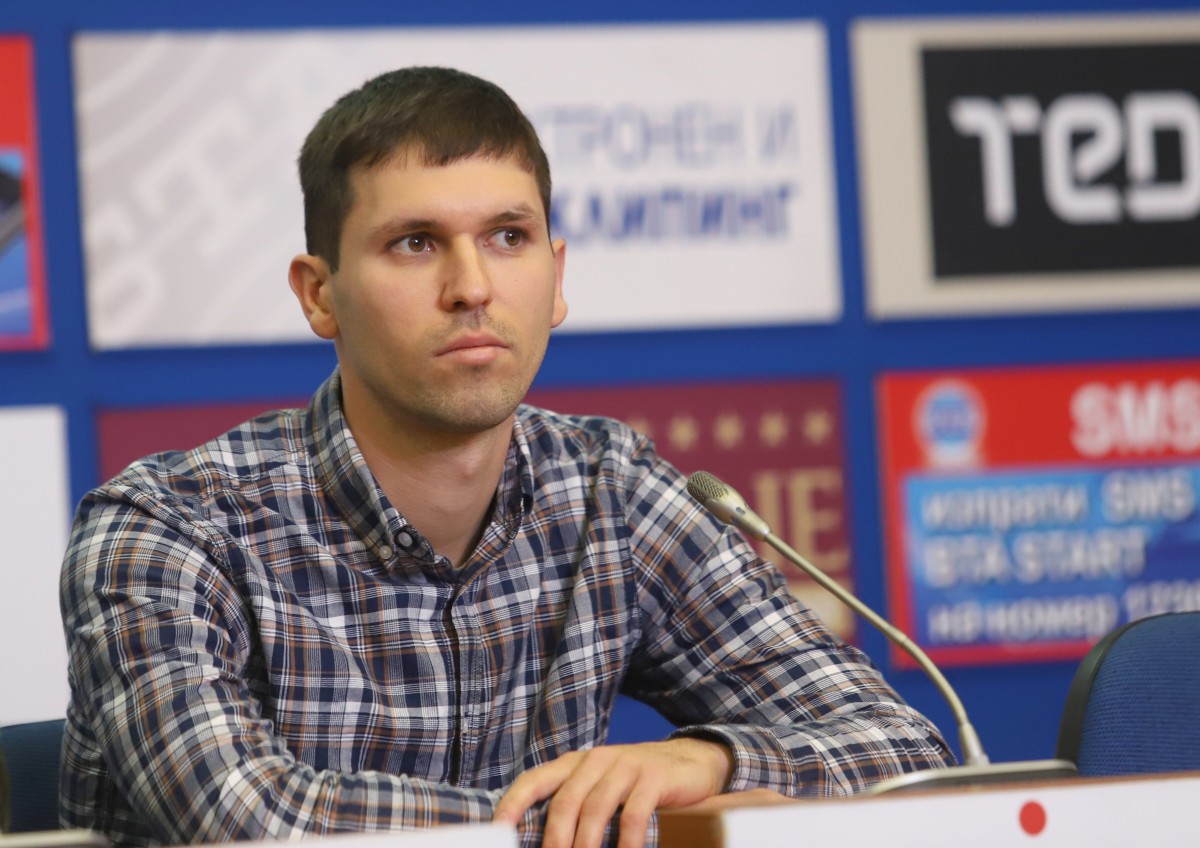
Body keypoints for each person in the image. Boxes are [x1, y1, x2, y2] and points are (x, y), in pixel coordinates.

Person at [59, 66, 954, 848]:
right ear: (319, 294)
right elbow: (250, 824)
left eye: (508, 237)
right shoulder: (166, 529)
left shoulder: (612, 491)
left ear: (556, 276)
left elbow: (905, 751)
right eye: (415, 244)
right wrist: (632, 828)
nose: (473, 286)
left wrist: (712, 760)